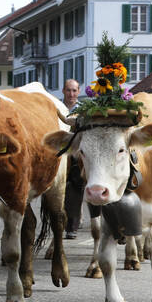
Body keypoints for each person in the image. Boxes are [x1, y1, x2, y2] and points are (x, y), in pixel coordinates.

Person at [61, 78, 84, 239]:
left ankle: (72, 226)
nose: (71, 94)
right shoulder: (58, 108)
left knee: (75, 184)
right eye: (68, 90)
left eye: (74, 90)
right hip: (60, 151)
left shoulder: (83, 110)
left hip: (76, 153)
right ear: (63, 91)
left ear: (79, 92)